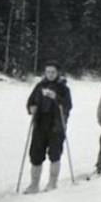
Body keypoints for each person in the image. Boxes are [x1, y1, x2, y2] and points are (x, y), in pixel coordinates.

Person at [23, 62, 72, 194]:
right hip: (40, 123)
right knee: (35, 154)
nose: (50, 74)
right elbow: (30, 101)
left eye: (52, 72)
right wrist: (31, 108)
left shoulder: (63, 88)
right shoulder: (39, 86)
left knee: (55, 153)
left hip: (56, 124)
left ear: (57, 73)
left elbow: (68, 105)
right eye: (48, 72)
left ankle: (52, 182)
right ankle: (34, 184)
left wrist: (56, 97)